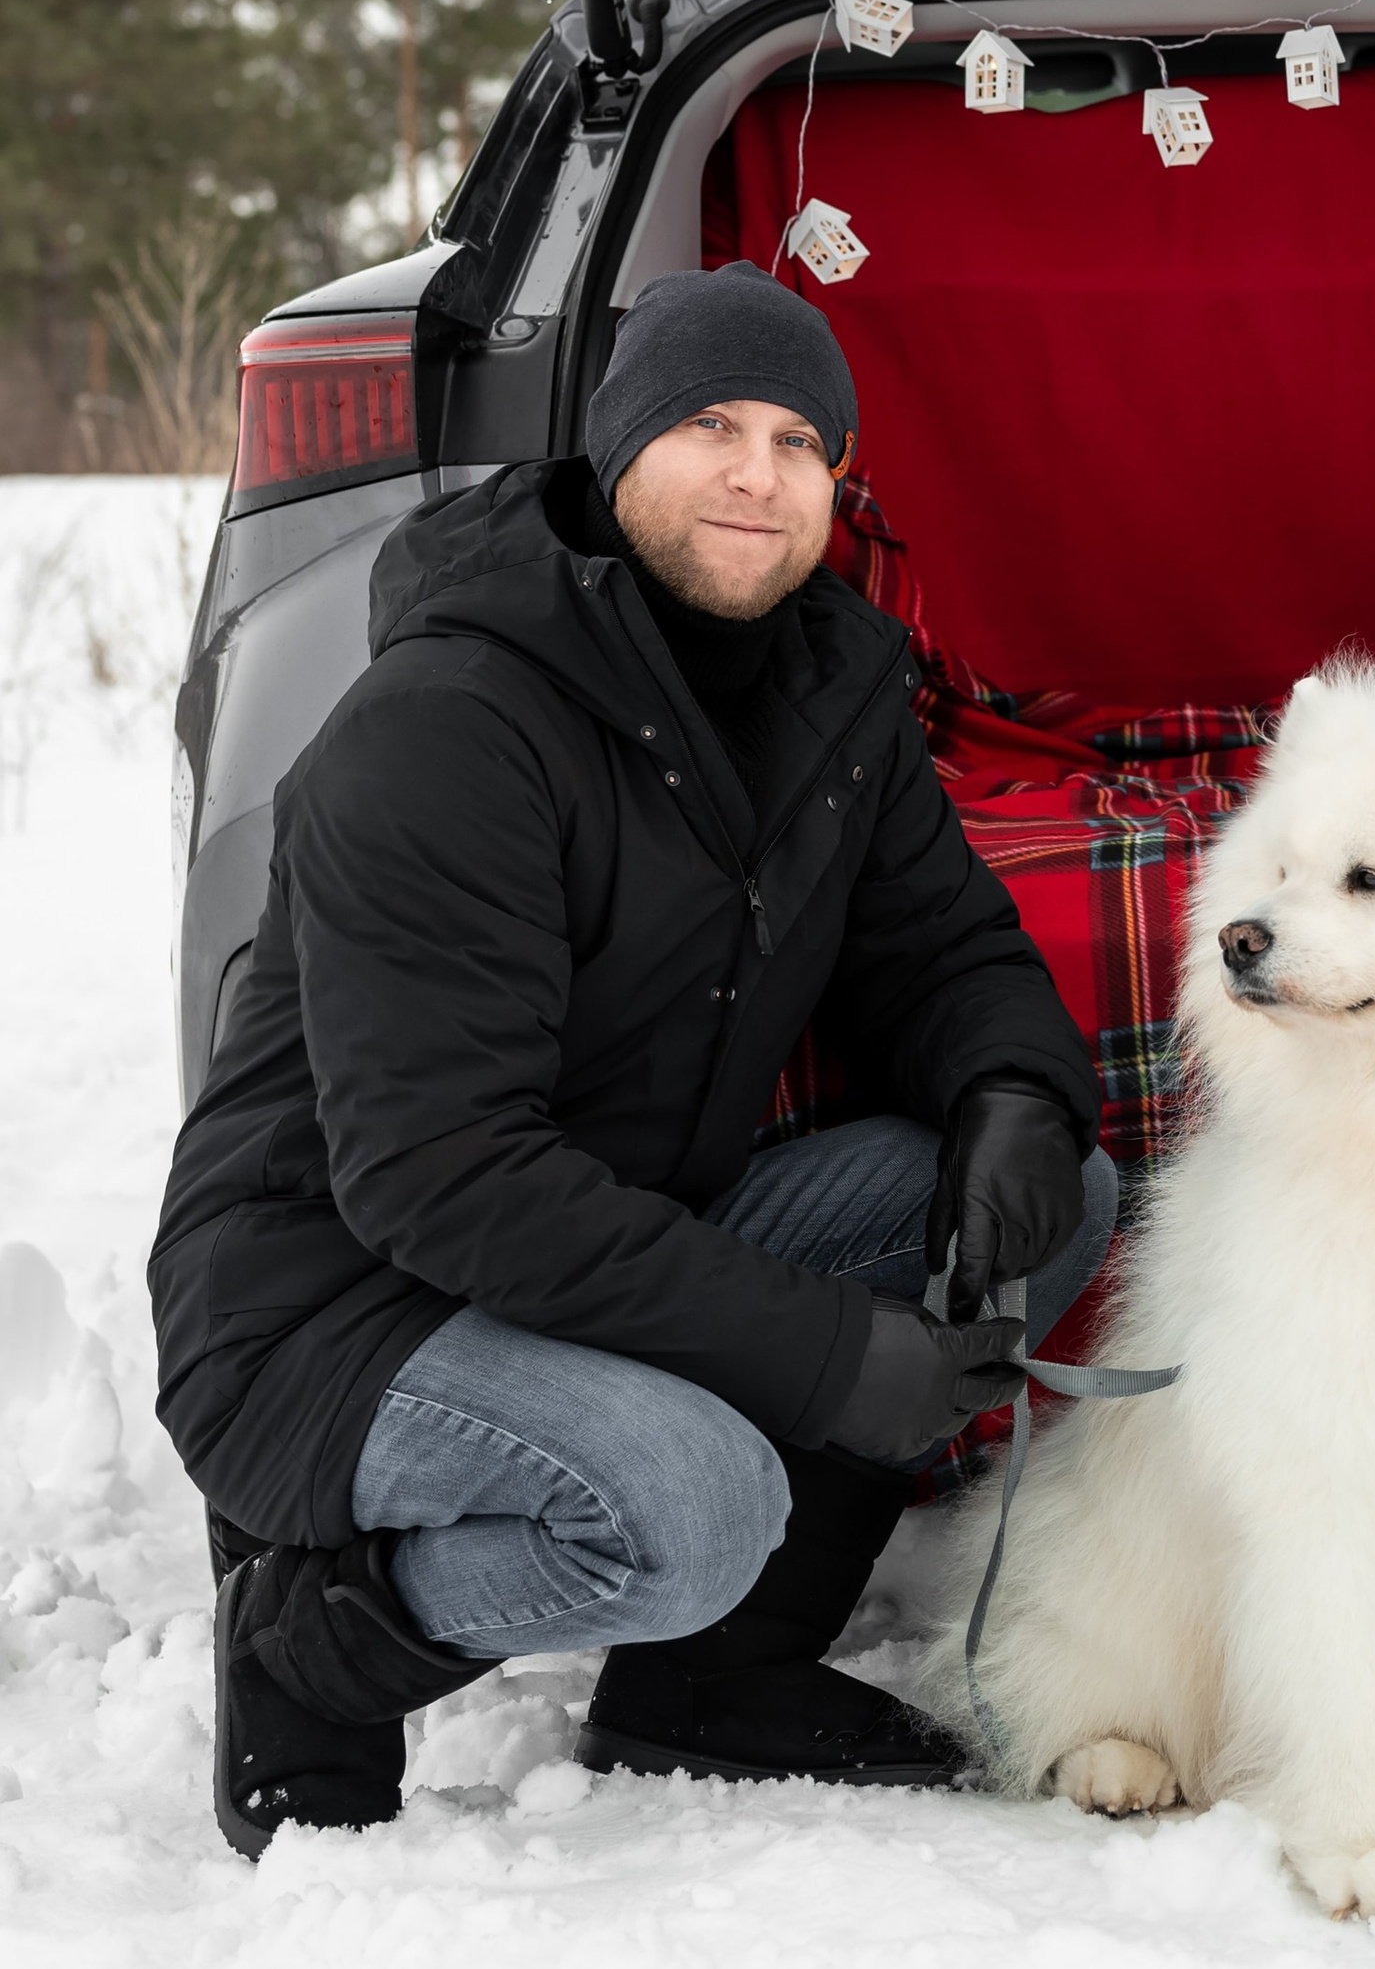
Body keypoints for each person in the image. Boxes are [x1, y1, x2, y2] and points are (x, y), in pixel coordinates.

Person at [152, 262, 1114, 1858]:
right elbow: (438, 1174)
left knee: (1048, 1190)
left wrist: (1009, 1087)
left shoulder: (830, 690)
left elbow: (946, 947)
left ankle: (710, 1680)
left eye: (803, 439)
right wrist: (825, 1357)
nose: (759, 471)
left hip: (591, 1230)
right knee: (697, 1500)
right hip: (328, 1308)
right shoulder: (448, 721)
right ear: (614, 447)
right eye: (713, 422)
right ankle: (312, 1641)